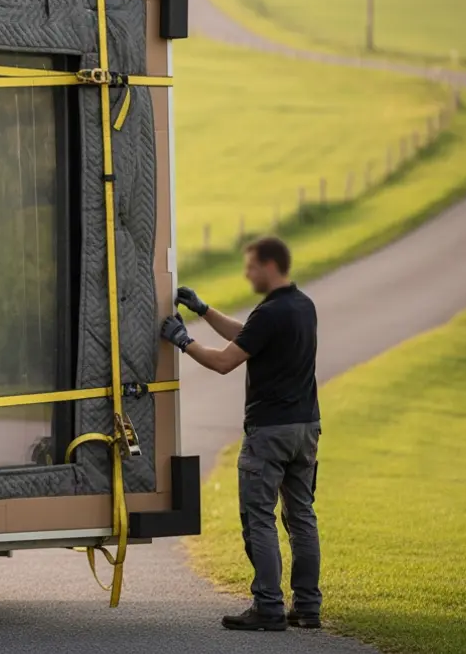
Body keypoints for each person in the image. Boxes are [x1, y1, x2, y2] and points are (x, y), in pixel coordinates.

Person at [159, 236, 321, 633]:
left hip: (269, 433)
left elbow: (225, 361)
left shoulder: (270, 313)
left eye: (250, 267)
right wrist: (203, 310)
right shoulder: (301, 305)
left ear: (268, 265)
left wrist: (184, 340)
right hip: (306, 429)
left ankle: (267, 606)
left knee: (259, 518)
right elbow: (249, 335)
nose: (247, 274)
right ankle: (307, 607)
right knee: (301, 517)